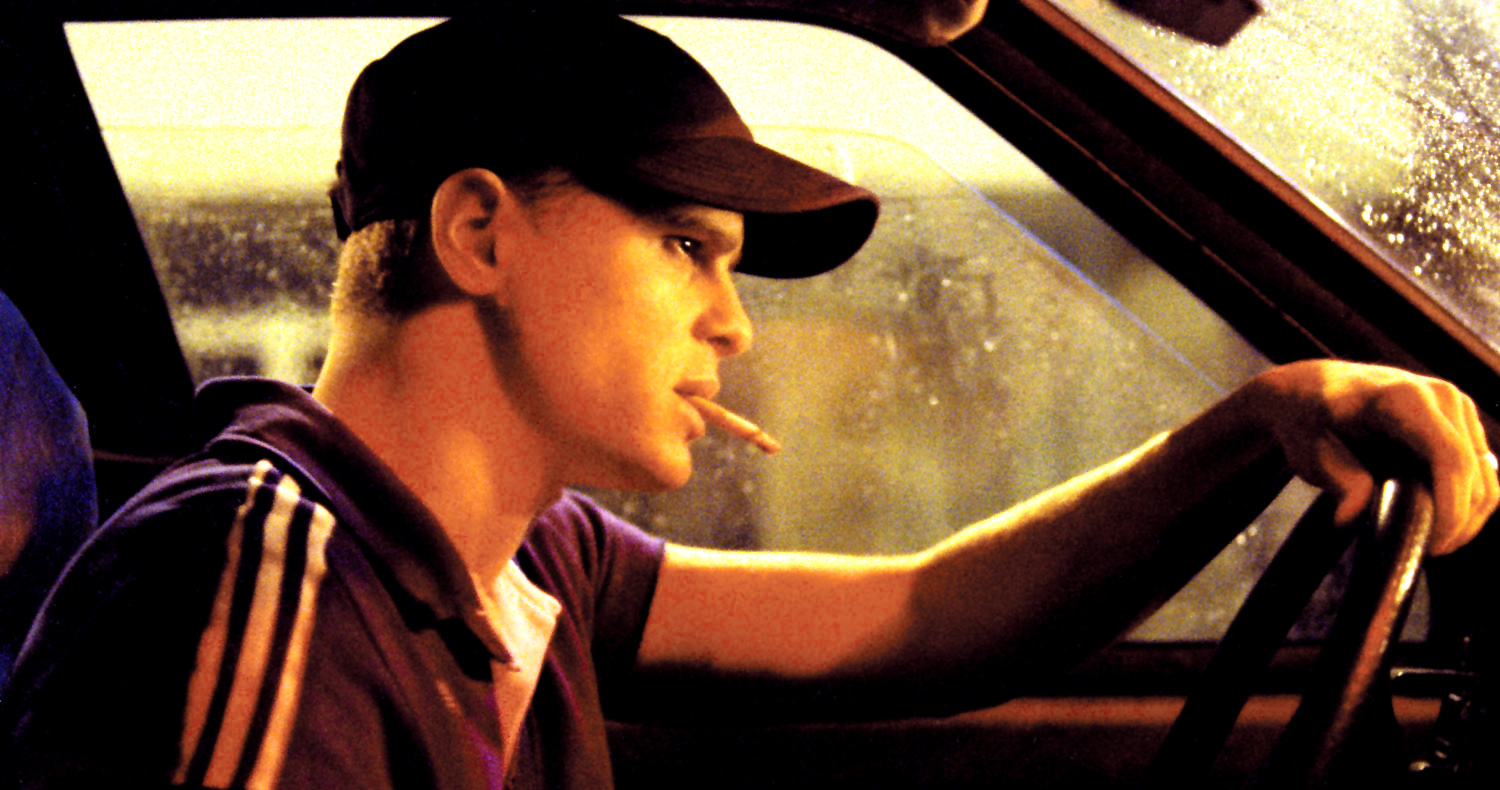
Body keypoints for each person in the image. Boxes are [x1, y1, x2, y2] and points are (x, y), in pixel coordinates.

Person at [1, 9, 1494, 789]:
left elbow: (926, 617)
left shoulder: (525, 557)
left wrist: (1257, 422)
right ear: (480, 234)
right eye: (685, 247)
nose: (732, 324)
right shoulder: (261, 585)